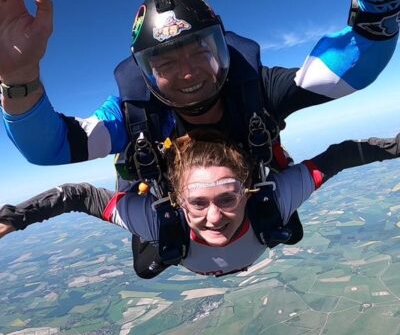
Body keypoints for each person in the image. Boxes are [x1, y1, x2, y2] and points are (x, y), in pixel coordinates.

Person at [1, 0, 400, 275]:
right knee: (157, 256)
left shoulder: (256, 87)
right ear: (145, 73)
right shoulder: (133, 113)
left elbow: (349, 72)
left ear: (222, 46)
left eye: (199, 51)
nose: (188, 73)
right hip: (172, 199)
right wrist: (18, 78)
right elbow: (49, 149)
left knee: (272, 225)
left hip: (238, 192)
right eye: (166, 62)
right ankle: (145, 179)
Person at [1, 130, 400, 277]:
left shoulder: (270, 199)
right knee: (147, 267)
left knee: (286, 230)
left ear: (247, 189)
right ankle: (134, 170)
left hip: (244, 224)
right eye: (198, 203)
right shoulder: (160, 222)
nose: (214, 217)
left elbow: (341, 154)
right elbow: (79, 196)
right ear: (177, 200)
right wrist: (12, 218)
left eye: (227, 198)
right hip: (175, 236)